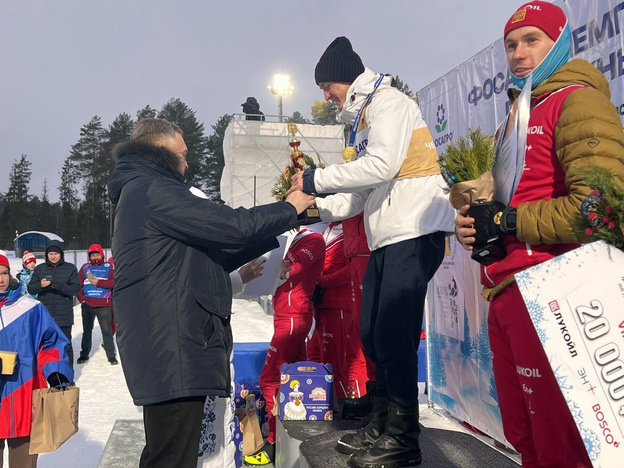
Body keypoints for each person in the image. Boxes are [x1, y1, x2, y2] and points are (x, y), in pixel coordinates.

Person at [454, 2, 624, 466]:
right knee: (525, 439)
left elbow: (602, 209)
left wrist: (508, 223)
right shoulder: (515, 115)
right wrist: (476, 226)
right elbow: (508, 200)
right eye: (511, 44)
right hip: (508, 291)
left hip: (554, 291)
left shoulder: (579, 100)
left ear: (560, 44)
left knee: (560, 445)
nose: (519, 54)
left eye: (532, 40)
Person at [107, 117, 315, 468]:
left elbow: (213, 253)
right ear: (161, 149)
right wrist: (290, 207)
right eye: (183, 154)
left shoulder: (141, 190)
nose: (187, 164)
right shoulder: (153, 189)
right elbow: (230, 226)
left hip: (167, 343)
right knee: (173, 456)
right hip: (171, 344)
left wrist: (283, 222)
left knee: (169, 451)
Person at [288, 36, 455, 467]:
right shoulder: (362, 118)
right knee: (372, 334)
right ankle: (381, 424)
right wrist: (314, 207)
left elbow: (381, 165)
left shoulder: (388, 103)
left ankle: (404, 438)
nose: (324, 95)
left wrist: (316, 180)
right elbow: (362, 193)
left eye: (327, 85)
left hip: (415, 228)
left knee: (395, 337)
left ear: (345, 78)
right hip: (389, 232)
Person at [246, 226, 325, 466]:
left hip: (293, 317)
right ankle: (294, 436)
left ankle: (273, 442)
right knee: (296, 379)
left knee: (269, 379)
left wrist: (272, 268)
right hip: (287, 315)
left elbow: (291, 269)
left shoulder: (313, 239)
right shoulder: (294, 238)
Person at [0, 253, 74, 468]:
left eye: (4, 273)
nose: (1, 279)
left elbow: (51, 341)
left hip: (23, 400)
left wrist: (56, 370)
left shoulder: (30, 308)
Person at [312, 221, 352, 399]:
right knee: (318, 358)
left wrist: (322, 282)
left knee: (337, 363)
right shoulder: (327, 228)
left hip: (339, 305)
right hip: (322, 304)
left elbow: (352, 270)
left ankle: (342, 407)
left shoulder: (351, 228)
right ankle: (322, 405)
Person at [27, 240, 80, 366]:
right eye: (50, 253)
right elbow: (31, 288)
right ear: (47, 255)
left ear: (61, 254)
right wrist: (41, 285)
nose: (53, 256)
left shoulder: (70, 268)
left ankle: (68, 377)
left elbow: (76, 289)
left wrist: (59, 286)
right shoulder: (40, 269)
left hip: (64, 315)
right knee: (47, 346)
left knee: (66, 344)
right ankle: (50, 374)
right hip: (46, 315)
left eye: (56, 253)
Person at [76, 244, 117, 365]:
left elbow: (114, 282)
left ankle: (111, 355)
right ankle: (84, 354)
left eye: (97, 254)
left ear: (102, 255)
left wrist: (99, 282)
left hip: (104, 304)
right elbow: (78, 284)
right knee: (87, 330)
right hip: (87, 304)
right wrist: (81, 298)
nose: (95, 257)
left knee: (107, 330)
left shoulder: (108, 267)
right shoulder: (85, 267)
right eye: (92, 255)